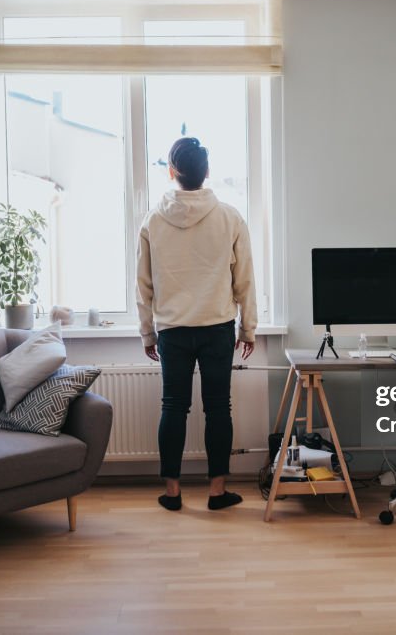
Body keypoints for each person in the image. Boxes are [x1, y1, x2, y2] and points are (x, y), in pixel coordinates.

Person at [136, 137, 257, 512]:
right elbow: (245, 280)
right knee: (219, 408)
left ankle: (172, 493)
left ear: (172, 172)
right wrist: (248, 328)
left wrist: (147, 331)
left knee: (173, 407)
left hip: (172, 330)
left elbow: (143, 284)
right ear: (206, 172)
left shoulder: (153, 220)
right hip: (217, 326)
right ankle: (217, 492)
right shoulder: (230, 217)